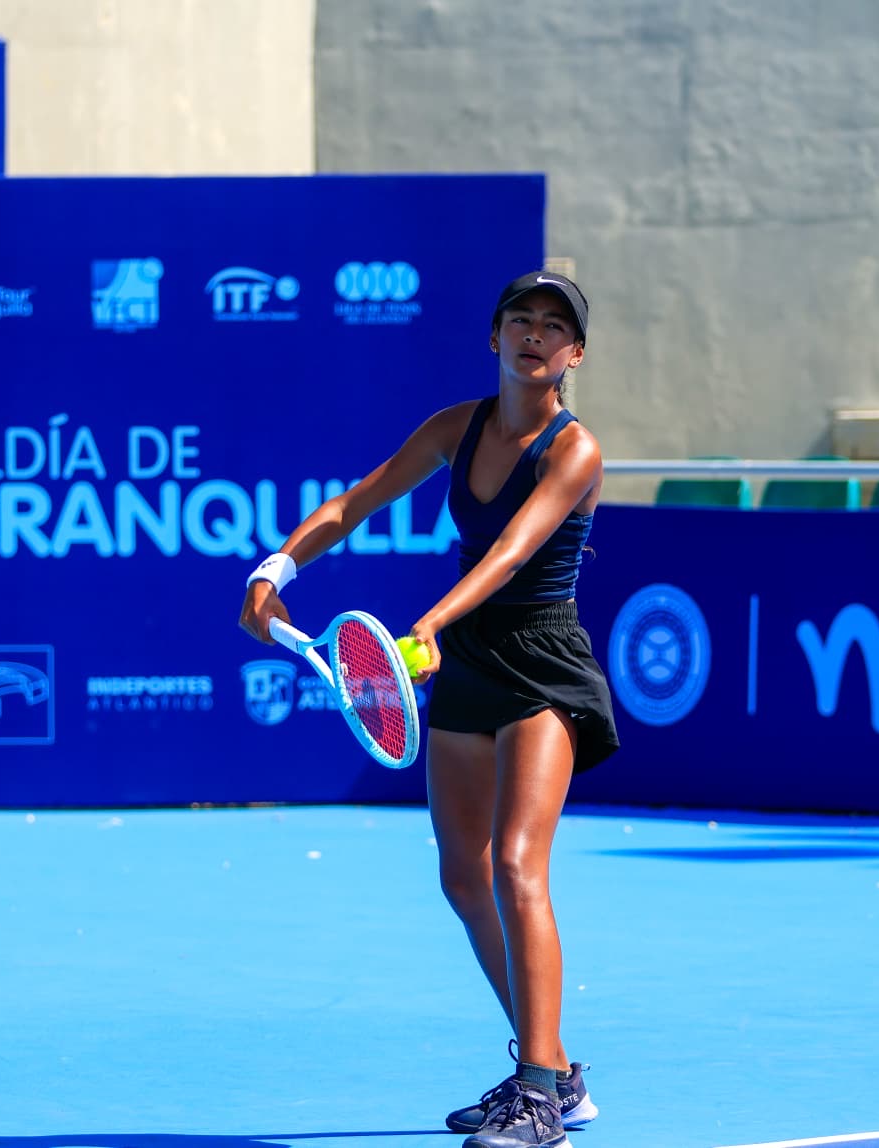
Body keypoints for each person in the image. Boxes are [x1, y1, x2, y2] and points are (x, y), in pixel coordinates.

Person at [238, 269, 619, 1148]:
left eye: (553, 326)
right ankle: (556, 1070)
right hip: (471, 664)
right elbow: (353, 503)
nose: (534, 333)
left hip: (543, 666)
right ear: (495, 337)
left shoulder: (576, 451)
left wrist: (431, 624)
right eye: (519, 318)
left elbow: (515, 553)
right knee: (462, 873)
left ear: (575, 354)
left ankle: (537, 1098)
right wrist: (274, 572)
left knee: (520, 866)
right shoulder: (456, 427)